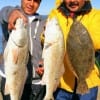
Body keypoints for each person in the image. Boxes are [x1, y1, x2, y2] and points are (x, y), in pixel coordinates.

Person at [44, 0, 100, 100]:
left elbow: (98, 40)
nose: (73, 1)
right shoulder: (56, 14)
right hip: (62, 83)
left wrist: (78, 37)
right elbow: (45, 39)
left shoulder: (96, 15)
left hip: (88, 81)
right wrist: (46, 34)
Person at [0, 0, 47, 100]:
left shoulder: (44, 21)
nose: (31, 4)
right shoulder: (10, 15)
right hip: (10, 79)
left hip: (36, 83)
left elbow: (48, 48)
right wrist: (12, 13)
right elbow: (3, 12)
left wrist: (45, 62)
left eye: (36, 1)